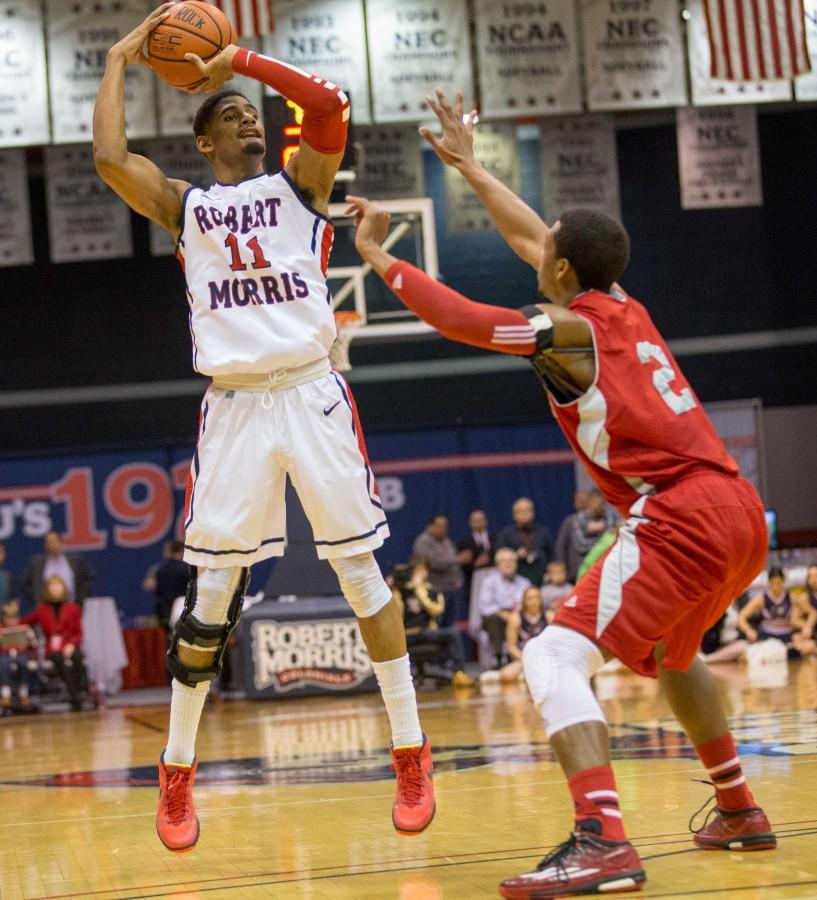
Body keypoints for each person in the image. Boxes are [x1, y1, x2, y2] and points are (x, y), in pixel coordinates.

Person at [347, 87, 776, 897]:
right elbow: (530, 235)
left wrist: (380, 259)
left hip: (680, 509)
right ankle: (739, 808)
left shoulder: (565, 331)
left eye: (549, 249)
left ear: (565, 270)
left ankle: (603, 840)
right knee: (676, 656)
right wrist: (470, 167)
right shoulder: (618, 303)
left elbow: (471, 321)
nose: (535, 246)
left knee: (550, 654)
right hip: (736, 507)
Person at [93, 7, 433, 853]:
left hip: (312, 393)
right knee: (210, 600)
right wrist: (116, 61)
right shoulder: (189, 209)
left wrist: (233, 57)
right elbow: (107, 159)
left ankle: (410, 749)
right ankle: (177, 772)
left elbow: (328, 106)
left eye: (250, 111)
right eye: (229, 114)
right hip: (236, 406)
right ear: (204, 143)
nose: (248, 116)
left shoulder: (299, 188)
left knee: (360, 573)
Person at [393, 559, 474, 687]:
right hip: (407, 635)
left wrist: (419, 591)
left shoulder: (433, 591)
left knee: (452, 633)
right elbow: (397, 615)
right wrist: (395, 590)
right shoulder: (402, 591)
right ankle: (395, 682)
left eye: (423, 570)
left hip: (426, 632)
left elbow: (436, 610)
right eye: (417, 571)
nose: (420, 574)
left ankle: (459, 673)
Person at [21, 577, 88, 712]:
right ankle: (75, 696)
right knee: (59, 659)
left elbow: (79, 632)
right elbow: (24, 623)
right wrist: (27, 632)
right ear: (47, 590)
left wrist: (72, 644)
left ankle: (78, 692)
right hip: (52, 648)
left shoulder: (73, 608)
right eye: (52, 587)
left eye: (58, 586)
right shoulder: (41, 609)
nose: (55, 589)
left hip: (70, 644)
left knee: (77, 657)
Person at [481, 585, 551, 684]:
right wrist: (526, 658)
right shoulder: (516, 618)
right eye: (529, 598)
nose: (533, 601)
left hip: (546, 656)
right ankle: (524, 674)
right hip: (525, 657)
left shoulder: (549, 616)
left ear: (541, 599)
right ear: (524, 601)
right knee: (507, 675)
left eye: (536, 597)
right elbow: (511, 647)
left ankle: (528, 674)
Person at [477, 548, 532, 667]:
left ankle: (531, 657)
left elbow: (531, 603)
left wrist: (516, 615)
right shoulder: (489, 581)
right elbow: (484, 606)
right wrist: (503, 614)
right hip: (496, 615)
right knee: (494, 621)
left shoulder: (525, 583)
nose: (508, 564)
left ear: (516, 564)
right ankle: (498, 658)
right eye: (504, 561)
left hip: (519, 616)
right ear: (497, 565)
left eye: (511, 560)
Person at [737, 568, 808, 649]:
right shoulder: (761, 599)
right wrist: (748, 630)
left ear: (783, 581)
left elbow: (812, 612)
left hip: (787, 635)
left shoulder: (792, 597)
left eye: (778, 582)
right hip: (767, 636)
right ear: (769, 582)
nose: (776, 586)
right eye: (773, 583)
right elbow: (741, 617)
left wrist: (807, 626)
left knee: (808, 645)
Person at [411, 515, 465, 623]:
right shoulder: (423, 542)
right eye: (439, 526)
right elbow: (434, 562)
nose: (443, 529)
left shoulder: (447, 541)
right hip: (435, 590)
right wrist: (457, 559)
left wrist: (458, 578)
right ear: (430, 526)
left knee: (451, 623)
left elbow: (453, 564)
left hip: (451, 588)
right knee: (437, 624)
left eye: (445, 526)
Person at [21, 531, 95, 606]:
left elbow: (89, 577)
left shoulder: (76, 561)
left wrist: (82, 597)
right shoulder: (36, 563)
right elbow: (25, 583)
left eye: (54, 541)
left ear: (60, 542)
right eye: (48, 542)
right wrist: (36, 598)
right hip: (46, 610)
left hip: (72, 607)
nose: (51, 545)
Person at [555, 490, 616, 582]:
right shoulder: (576, 520)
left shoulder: (608, 518)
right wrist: (603, 538)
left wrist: (603, 532)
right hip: (581, 569)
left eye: (603, 503)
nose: (602, 507)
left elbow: (613, 542)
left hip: (604, 569)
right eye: (599, 503)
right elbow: (581, 545)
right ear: (591, 502)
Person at [495, 497, 556, 585]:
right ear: (514, 515)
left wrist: (550, 573)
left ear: (533, 512)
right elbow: (499, 556)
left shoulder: (543, 532)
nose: (524, 514)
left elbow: (553, 555)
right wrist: (515, 555)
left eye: (527, 510)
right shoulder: (506, 534)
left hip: (542, 579)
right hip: (514, 581)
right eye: (520, 511)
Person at [0, 598, 40, 714]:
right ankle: (5, 694)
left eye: (14, 617)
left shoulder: (23, 626)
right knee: (4, 664)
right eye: (8, 617)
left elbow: (33, 645)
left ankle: (23, 693)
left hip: (21, 653)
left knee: (23, 663)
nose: (11, 621)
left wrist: (30, 637)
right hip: (4, 655)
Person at [456, 509, 494, 601]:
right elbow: (460, 564)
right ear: (470, 523)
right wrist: (474, 564)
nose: (478, 523)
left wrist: (489, 560)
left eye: (481, 520)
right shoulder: (463, 543)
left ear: (486, 521)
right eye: (475, 520)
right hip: (473, 583)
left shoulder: (494, 539)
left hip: (493, 580)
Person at [153, 540, 191, 631]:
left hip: (166, 612)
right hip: (185, 614)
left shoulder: (161, 569)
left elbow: (159, 593)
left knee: (171, 641)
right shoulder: (188, 569)